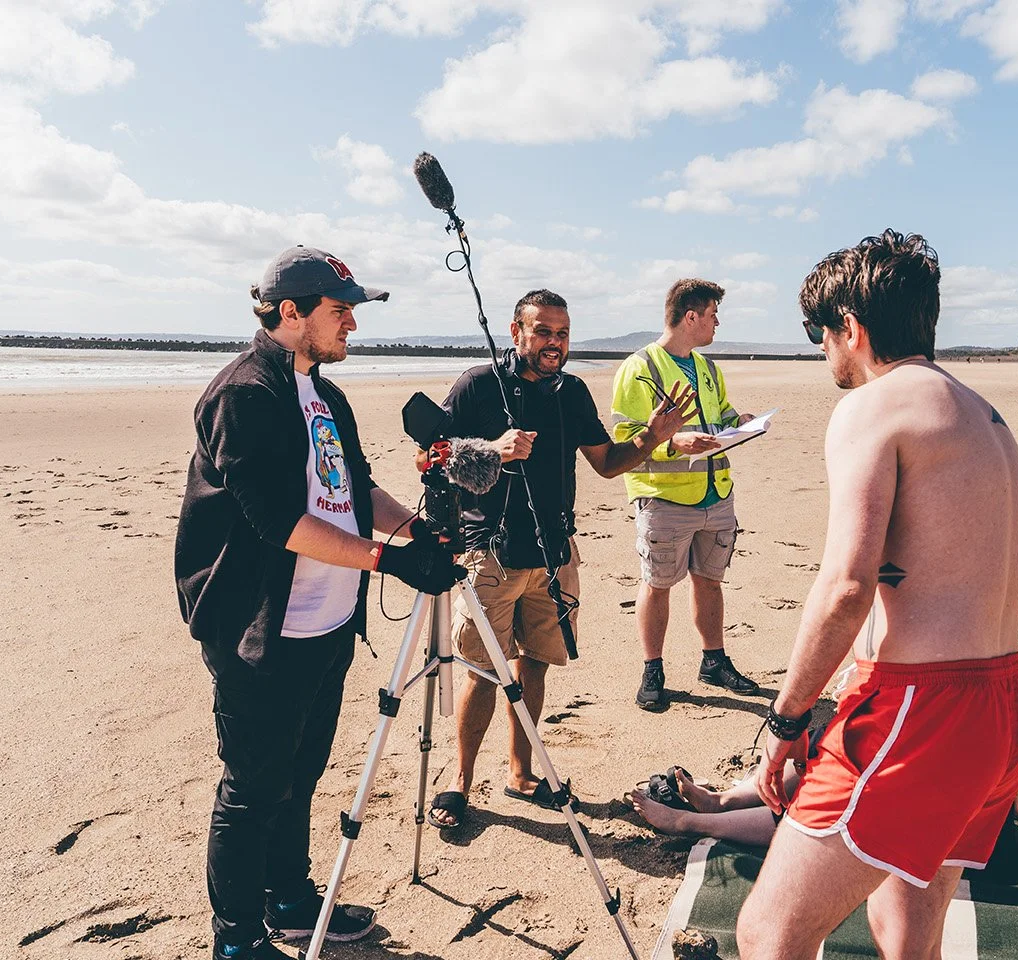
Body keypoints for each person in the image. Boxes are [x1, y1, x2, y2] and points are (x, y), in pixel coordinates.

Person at [736, 230, 1018, 960]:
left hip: (921, 708)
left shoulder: (875, 408)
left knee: (770, 932)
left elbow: (845, 587)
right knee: (905, 932)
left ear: (852, 327)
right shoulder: (981, 414)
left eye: (819, 335)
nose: (823, 354)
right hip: (1001, 703)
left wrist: (786, 720)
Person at [175, 246, 463, 960]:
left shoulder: (325, 395)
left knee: (300, 776)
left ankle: (292, 900)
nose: (353, 327)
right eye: (342, 312)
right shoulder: (246, 393)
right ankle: (237, 941)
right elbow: (280, 524)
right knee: (251, 789)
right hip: (260, 629)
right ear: (289, 312)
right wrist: (390, 562)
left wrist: (416, 531)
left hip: (329, 620)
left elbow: (356, 489)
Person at [426, 289, 696, 829]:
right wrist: (489, 451)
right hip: (489, 555)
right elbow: (428, 455)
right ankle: (460, 782)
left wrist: (653, 437)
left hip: (554, 556)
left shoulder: (571, 392)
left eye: (563, 333)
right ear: (516, 332)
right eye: (544, 331)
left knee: (536, 662)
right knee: (482, 670)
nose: (555, 343)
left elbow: (608, 463)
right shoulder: (479, 385)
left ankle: (521, 773)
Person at [632, 750, 1018, 913]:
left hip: (964, 828)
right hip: (910, 795)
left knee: (843, 813)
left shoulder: (1000, 691)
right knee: (831, 752)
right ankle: (722, 802)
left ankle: (692, 821)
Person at [610, 279, 760, 711]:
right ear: (690, 317)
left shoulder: (709, 368)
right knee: (657, 585)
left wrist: (743, 422)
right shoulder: (640, 369)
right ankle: (652, 669)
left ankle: (713, 661)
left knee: (710, 581)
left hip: (716, 494)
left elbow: (722, 415)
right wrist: (673, 444)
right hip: (664, 497)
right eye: (713, 314)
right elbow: (625, 437)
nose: (717, 322)